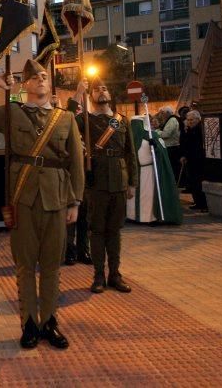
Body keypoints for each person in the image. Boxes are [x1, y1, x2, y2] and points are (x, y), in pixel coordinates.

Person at [0, 59, 83, 349]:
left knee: (53, 265)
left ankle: (50, 321)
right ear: (25, 84)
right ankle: (30, 323)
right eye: (34, 77)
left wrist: (75, 201)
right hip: (23, 197)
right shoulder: (11, 112)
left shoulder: (65, 118)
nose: (41, 80)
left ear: (49, 84)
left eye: (44, 76)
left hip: (56, 198)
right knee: (26, 265)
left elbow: (76, 163)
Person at [75, 76, 137, 294]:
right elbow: (64, 121)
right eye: (96, 89)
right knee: (97, 231)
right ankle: (99, 275)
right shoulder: (86, 120)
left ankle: (115, 275)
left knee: (115, 231)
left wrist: (132, 182)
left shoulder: (121, 120)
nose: (101, 91)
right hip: (96, 183)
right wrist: (77, 93)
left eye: (104, 88)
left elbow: (131, 153)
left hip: (119, 182)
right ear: (90, 95)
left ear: (110, 95)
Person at [126, 115, 183, 224]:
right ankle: (132, 216)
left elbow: (162, 153)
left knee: (147, 196)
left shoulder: (152, 136)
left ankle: (148, 217)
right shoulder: (128, 138)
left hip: (148, 171)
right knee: (132, 197)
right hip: (134, 170)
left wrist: (155, 146)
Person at [180, 110, 207, 211]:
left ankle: (203, 204)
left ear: (197, 119)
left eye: (192, 120)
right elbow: (185, 143)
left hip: (198, 159)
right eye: (188, 120)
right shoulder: (189, 129)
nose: (190, 122)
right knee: (193, 182)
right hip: (190, 159)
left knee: (198, 182)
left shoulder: (200, 129)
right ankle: (198, 202)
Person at [156, 106, 181, 182]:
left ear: (167, 113)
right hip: (170, 146)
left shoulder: (172, 120)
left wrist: (156, 132)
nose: (161, 115)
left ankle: (173, 182)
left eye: (162, 113)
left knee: (172, 167)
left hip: (172, 147)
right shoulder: (169, 120)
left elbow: (166, 134)